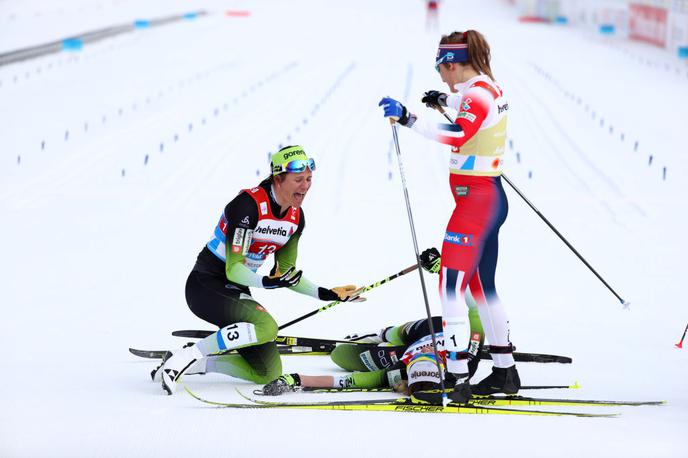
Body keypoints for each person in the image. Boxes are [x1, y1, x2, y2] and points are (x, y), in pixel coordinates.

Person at [378, 30, 519, 402]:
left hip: (476, 204)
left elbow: (459, 133)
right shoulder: (486, 88)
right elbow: (467, 109)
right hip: (487, 199)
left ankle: (457, 378)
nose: (442, 76)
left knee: (449, 286)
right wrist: (443, 99)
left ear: (452, 63)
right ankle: (505, 372)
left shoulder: (476, 95)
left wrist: (410, 119)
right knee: (480, 287)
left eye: (441, 70)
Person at [158, 145, 360, 395]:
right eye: (298, 179)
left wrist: (326, 293)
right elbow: (233, 270)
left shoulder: (296, 218)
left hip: (236, 289)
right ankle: (185, 358)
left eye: (308, 179)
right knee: (267, 327)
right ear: (278, 178)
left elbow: (286, 275)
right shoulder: (248, 206)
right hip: (207, 284)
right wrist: (266, 282)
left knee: (267, 371)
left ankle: (198, 363)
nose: (305, 186)